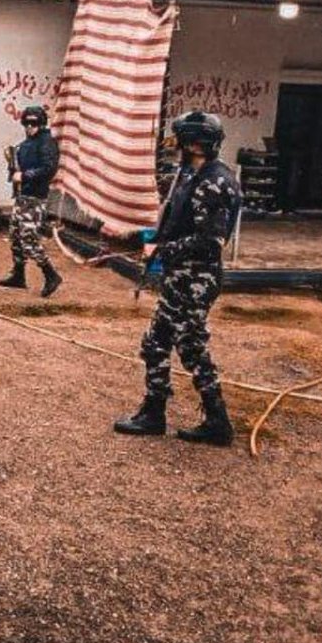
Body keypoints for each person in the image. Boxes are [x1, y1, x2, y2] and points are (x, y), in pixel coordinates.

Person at [114, 111, 243, 447]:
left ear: (193, 143)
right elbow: (173, 220)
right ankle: (164, 414)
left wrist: (165, 248)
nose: (175, 147)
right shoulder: (190, 174)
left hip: (196, 279)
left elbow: (210, 241)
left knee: (183, 346)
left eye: (180, 140)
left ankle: (209, 421)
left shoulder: (215, 183)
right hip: (180, 277)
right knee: (166, 343)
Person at [0, 105, 63, 297]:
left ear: (41, 123)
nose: (29, 127)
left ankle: (50, 274)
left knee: (29, 239)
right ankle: (18, 275)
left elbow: (49, 168)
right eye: (26, 123)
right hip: (22, 197)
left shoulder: (47, 142)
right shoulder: (27, 144)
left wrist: (25, 175)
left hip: (34, 198)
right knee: (16, 236)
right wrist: (13, 168)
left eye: (33, 123)